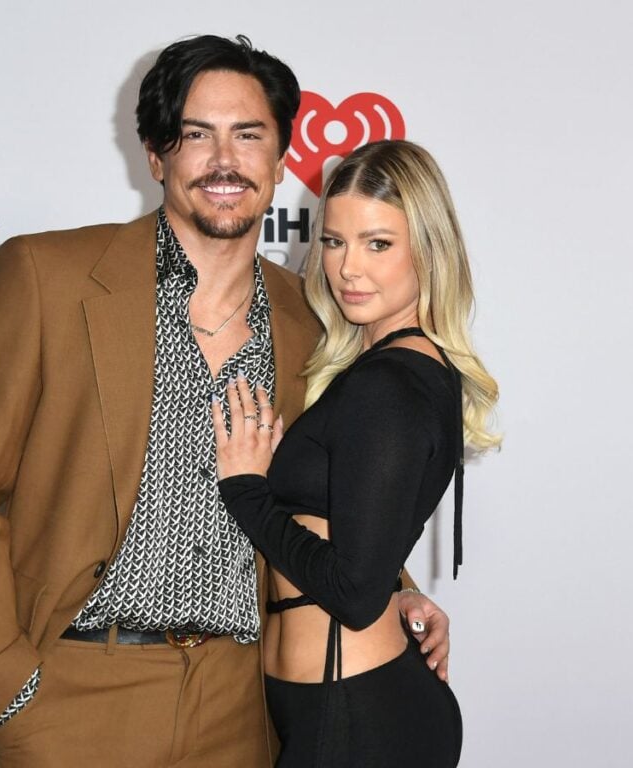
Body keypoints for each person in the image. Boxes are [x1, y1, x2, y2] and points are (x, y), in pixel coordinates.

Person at [0, 36, 450, 768]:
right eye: (196, 134)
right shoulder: (48, 278)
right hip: (74, 696)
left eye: (248, 135)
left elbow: (329, 483)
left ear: (280, 157)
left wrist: (394, 587)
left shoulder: (315, 323)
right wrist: (10, 693)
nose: (224, 159)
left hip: (244, 708)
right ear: (155, 154)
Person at [212, 139, 500, 767]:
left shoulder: (388, 383)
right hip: (330, 706)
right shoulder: (386, 368)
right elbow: (367, 552)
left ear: (427, 251)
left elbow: (354, 591)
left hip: (357, 717)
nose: (348, 269)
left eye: (378, 244)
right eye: (335, 242)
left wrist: (246, 490)